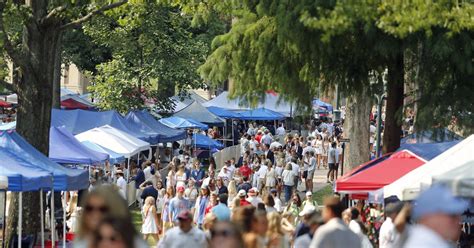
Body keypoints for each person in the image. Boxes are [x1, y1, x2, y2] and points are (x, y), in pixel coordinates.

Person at [75, 186, 141, 248]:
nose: (95, 214)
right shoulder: (81, 242)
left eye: (102, 209)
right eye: (89, 208)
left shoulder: (134, 242)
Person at [403, 184, 468, 248]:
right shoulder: (422, 245)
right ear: (429, 216)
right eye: (452, 215)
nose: (458, 220)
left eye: (458, 214)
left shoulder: (432, 242)